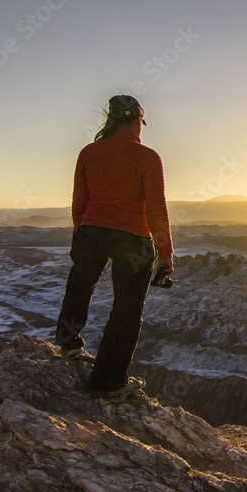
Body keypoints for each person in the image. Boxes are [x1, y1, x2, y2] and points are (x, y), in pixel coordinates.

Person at [55, 95, 173, 401]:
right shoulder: (147, 157)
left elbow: (79, 201)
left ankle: (68, 345)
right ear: (136, 120)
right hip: (132, 238)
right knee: (126, 310)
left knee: (81, 283)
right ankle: (108, 383)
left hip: (91, 231)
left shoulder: (89, 153)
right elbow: (156, 210)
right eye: (142, 122)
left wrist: (79, 232)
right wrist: (165, 254)